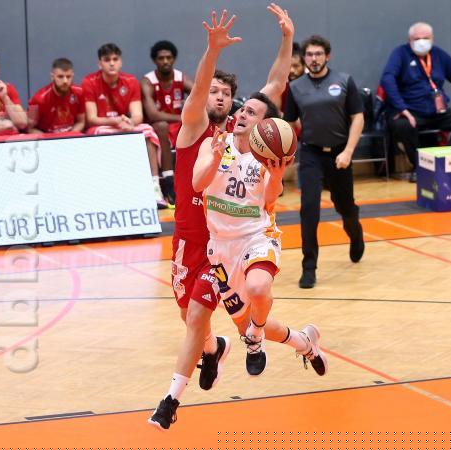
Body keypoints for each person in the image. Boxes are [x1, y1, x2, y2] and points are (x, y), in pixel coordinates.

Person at [148, 5, 326, 432]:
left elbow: (274, 86)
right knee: (205, 322)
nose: (219, 97)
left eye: (226, 93)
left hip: (230, 243)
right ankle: (279, 343)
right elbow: (198, 93)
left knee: (210, 319)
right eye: (213, 90)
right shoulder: (194, 128)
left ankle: (171, 400)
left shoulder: (244, 133)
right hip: (192, 242)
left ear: (234, 101)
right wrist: (211, 51)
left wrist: (288, 39)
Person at [284, 35, 366, 289]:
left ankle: (355, 233)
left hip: (340, 153)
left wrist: (348, 151)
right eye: (309, 54)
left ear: (327, 56)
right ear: (304, 58)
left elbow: (358, 117)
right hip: (311, 154)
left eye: (318, 54)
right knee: (309, 208)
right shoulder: (295, 87)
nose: (314, 59)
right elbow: (290, 122)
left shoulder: (343, 81)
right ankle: (309, 267)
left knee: (345, 207)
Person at [380, 22, 451, 183]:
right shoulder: (400, 54)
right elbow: (387, 79)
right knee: (402, 125)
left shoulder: (439, 55)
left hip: (437, 111)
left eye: (425, 38)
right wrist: (402, 108)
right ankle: (420, 167)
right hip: (411, 111)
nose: (421, 42)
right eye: (416, 38)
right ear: (409, 40)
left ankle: (446, 161)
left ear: (432, 39)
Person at [82, 43, 169, 209]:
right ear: (100, 64)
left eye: (115, 59)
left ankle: (155, 187)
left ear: (120, 62)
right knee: (96, 133)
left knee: (148, 131)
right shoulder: (89, 82)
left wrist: (130, 122)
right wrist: (114, 121)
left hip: (124, 124)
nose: (112, 63)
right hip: (103, 125)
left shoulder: (130, 81)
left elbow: (138, 115)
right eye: (107, 60)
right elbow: (92, 118)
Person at [142, 40, 194, 205]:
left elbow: (199, 95)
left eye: (168, 57)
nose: (165, 61)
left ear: (174, 59)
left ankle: (192, 181)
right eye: (161, 58)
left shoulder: (180, 77)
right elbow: (153, 114)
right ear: (155, 60)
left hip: (178, 125)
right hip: (157, 127)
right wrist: (182, 118)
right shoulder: (148, 81)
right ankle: (168, 181)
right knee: (162, 126)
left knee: (196, 126)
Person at [28, 58, 85, 134]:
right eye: (60, 77)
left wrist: (70, 135)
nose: (65, 81)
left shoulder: (79, 93)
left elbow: (81, 122)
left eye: (68, 77)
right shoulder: (38, 99)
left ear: (72, 76)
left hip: (71, 136)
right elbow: (29, 129)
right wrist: (49, 139)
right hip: (47, 137)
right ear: (52, 77)